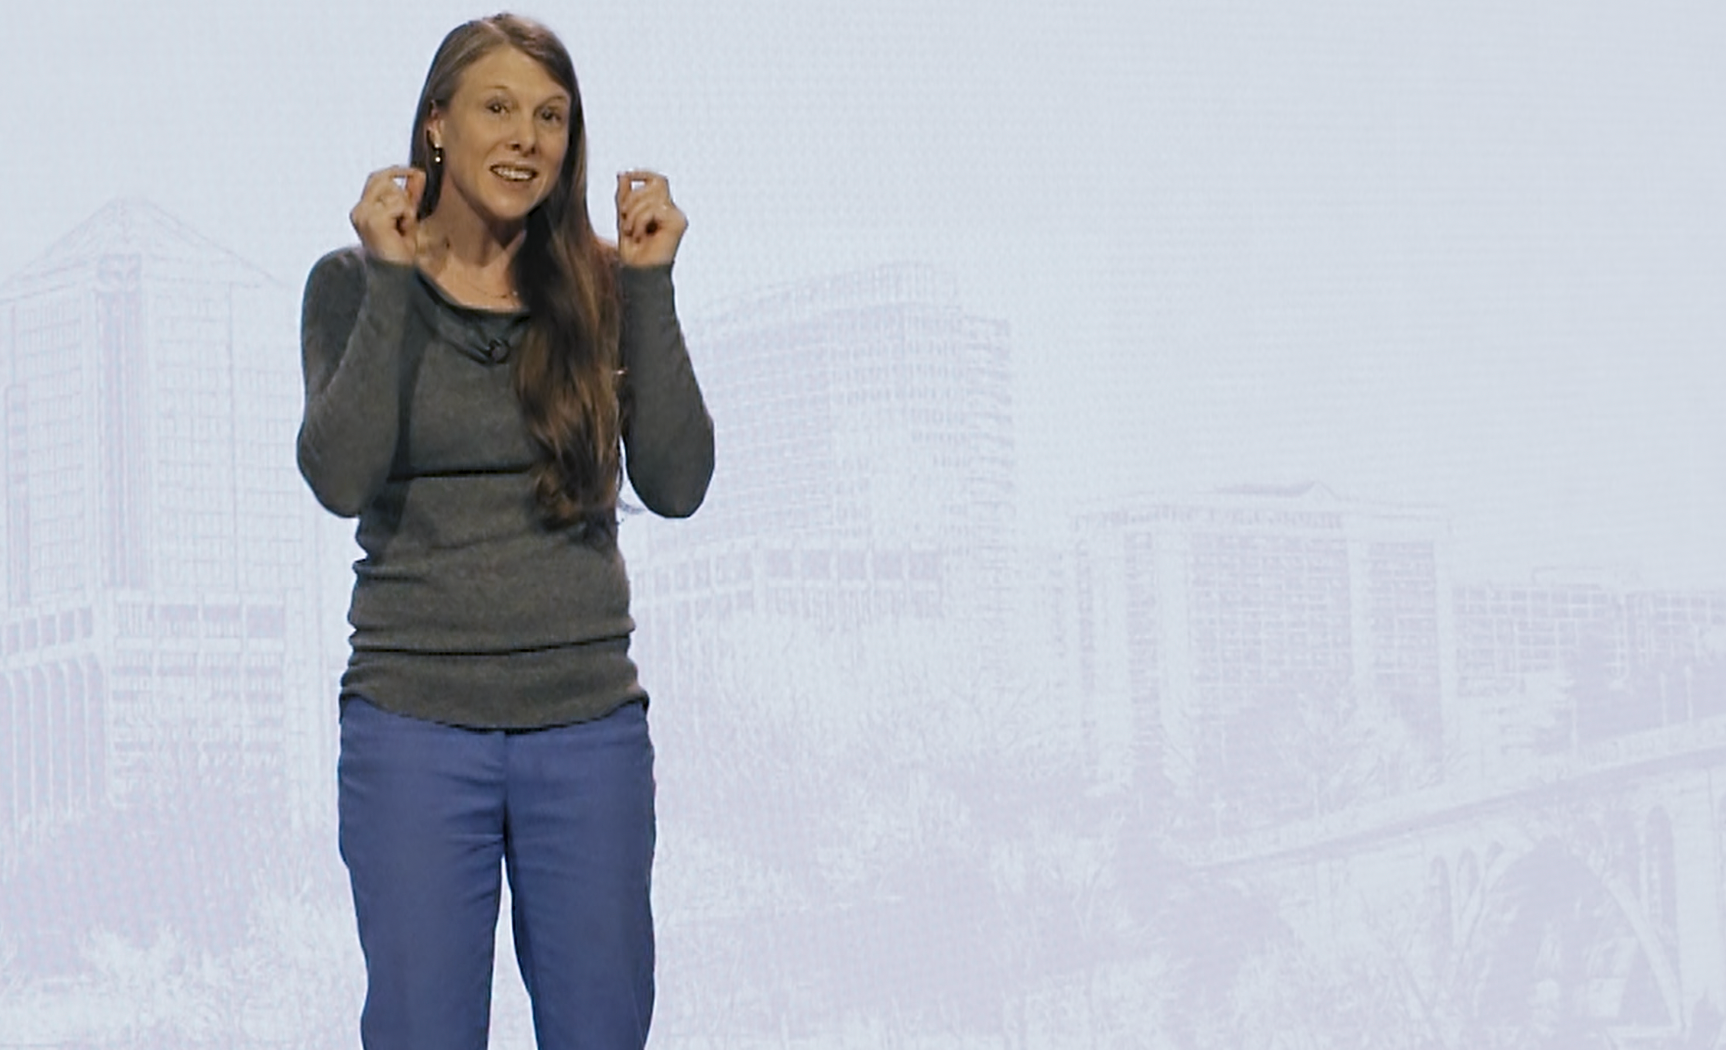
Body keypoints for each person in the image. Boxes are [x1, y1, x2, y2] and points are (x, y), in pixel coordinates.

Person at [295, 13, 713, 1050]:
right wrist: (394, 278)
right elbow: (339, 478)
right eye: (498, 108)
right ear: (436, 124)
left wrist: (650, 285)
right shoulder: (351, 284)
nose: (527, 137)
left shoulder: (601, 287)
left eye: (551, 116)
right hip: (414, 723)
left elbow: (678, 484)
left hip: (585, 726)